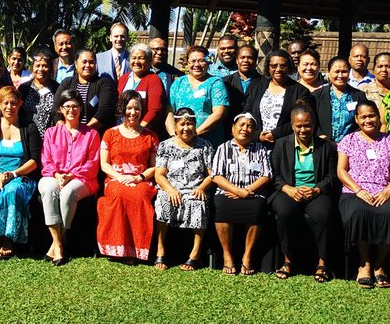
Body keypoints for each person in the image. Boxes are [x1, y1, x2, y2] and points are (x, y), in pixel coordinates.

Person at [337, 100, 390, 289]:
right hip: (355, 192)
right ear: (357, 119)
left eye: (372, 116)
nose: (368, 120)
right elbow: (341, 170)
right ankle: (365, 264)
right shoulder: (349, 140)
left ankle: (380, 264)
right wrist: (358, 190)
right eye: (363, 117)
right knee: (359, 213)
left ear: (378, 117)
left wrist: (389, 190)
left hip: (386, 191)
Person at [270, 106, 338, 283]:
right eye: (298, 126)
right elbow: (274, 175)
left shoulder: (326, 147)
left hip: (316, 191)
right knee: (284, 212)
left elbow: (332, 176)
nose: (303, 130)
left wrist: (317, 189)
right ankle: (288, 260)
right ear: (292, 125)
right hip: (288, 190)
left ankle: (323, 263)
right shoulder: (281, 144)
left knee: (323, 214)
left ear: (314, 125)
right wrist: (287, 188)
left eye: (307, 125)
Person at [0, 86, 42, 260]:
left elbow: (34, 160)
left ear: (20, 104)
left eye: (13, 103)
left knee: (11, 191)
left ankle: (9, 240)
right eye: (5, 103)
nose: (9, 107)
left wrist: (13, 174)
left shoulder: (29, 127)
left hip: (20, 173)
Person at [96, 91, 159, 262]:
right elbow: (104, 164)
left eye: (136, 108)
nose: (133, 113)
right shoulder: (110, 134)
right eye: (129, 108)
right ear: (122, 109)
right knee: (118, 194)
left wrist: (138, 178)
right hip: (115, 178)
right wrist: (121, 177)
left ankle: (136, 250)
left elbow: (154, 167)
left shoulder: (150, 136)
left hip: (141, 180)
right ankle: (116, 248)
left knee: (138, 197)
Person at [39, 91, 100, 266]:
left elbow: (92, 163)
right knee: (48, 189)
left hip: (83, 178)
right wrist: (58, 175)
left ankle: (57, 241)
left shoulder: (91, 134)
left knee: (67, 193)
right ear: (61, 109)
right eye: (67, 106)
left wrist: (71, 175)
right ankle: (58, 244)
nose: (71, 109)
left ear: (81, 109)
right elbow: (46, 160)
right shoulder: (51, 133)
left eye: (75, 106)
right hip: (54, 175)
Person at [209, 111, 271, 275]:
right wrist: (237, 191)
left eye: (250, 126)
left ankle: (247, 256)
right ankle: (227, 256)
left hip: (253, 193)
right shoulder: (223, 148)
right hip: (227, 192)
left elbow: (267, 175)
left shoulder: (261, 149)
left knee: (257, 208)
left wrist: (247, 191)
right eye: (241, 125)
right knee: (222, 207)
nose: (245, 128)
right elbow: (216, 175)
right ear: (233, 128)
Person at [152, 108, 213, 271]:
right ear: (176, 126)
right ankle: (160, 250)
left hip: (195, 188)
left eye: (190, 124)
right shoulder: (166, 145)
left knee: (199, 202)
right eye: (182, 124)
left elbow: (212, 174)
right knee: (163, 200)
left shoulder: (205, 146)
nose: (186, 128)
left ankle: (195, 254)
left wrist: (202, 187)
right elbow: (159, 174)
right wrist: (171, 190)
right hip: (171, 187)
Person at [243, 50, 309, 147]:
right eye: (274, 66)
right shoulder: (256, 86)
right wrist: (257, 135)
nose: (278, 69)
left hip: (284, 145)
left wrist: (275, 134)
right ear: (268, 68)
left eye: (283, 66)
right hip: (256, 145)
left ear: (289, 67)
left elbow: (300, 120)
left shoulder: (300, 91)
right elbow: (247, 112)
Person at [168, 45, 230, 146]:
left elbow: (219, 113)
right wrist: (173, 135)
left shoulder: (215, 83)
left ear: (208, 62)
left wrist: (194, 134)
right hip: (180, 141)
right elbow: (169, 111)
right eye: (192, 61)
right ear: (187, 63)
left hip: (208, 141)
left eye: (201, 61)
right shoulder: (178, 82)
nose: (196, 64)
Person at [309, 57, 367, 143]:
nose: (340, 76)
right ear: (329, 72)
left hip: (351, 145)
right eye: (336, 72)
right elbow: (312, 119)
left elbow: (363, 119)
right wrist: (319, 134)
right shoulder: (316, 95)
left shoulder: (359, 96)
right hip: (323, 144)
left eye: (344, 72)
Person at [57, 49, 117, 131]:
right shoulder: (67, 83)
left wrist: (84, 133)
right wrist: (65, 130)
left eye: (91, 62)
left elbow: (105, 110)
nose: (88, 65)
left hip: (93, 135)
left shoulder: (103, 83)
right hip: (67, 134)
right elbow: (56, 107)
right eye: (84, 62)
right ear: (76, 64)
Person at [117, 43, 167, 138]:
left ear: (149, 61)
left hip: (143, 133)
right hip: (122, 130)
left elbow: (155, 109)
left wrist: (138, 129)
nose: (136, 61)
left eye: (141, 58)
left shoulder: (154, 80)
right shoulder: (123, 79)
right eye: (133, 58)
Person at [19, 49, 60, 134]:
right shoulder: (24, 88)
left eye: (45, 66)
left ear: (50, 68)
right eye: (37, 66)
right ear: (32, 67)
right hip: (28, 136)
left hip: (50, 137)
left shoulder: (57, 88)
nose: (40, 69)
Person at [221, 44, 260, 133]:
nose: (245, 60)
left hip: (255, 131)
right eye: (242, 57)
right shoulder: (225, 82)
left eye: (249, 58)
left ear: (255, 61)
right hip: (228, 131)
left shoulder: (265, 83)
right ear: (237, 60)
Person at [361, 52, 390, 123]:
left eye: (388, 66)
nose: (384, 70)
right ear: (374, 69)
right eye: (380, 66)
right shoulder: (363, 91)